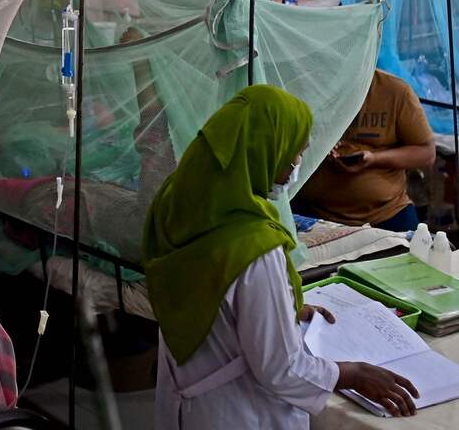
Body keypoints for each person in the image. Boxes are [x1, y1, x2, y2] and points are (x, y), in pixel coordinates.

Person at [143, 85, 418, 429]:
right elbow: (280, 367)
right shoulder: (254, 245)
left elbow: (206, 293)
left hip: (188, 399)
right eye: (294, 152)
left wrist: (278, 305)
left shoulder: (176, 205)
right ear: (263, 150)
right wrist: (351, 373)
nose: (295, 165)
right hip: (237, 411)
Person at [292, 70, 435, 231]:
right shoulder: (305, 86)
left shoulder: (394, 90)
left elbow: (427, 152)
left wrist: (374, 158)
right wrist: (320, 145)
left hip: (386, 213)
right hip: (312, 213)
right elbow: (284, 142)